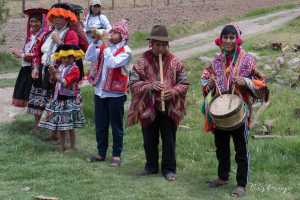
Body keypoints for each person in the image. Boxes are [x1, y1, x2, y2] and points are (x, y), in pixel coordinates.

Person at [201, 24, 269, 198]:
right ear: (221, 39)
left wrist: (245, 82)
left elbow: (261, 82)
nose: (229, 41)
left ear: (237, 40)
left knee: (241, 148)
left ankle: (241, 183)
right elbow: (205, 78)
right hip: (219, 111)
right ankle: (222, 177)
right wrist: (208, 84)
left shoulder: (247, 60)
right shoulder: (216, 60)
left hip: (240, 111)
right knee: (221, 147)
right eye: (226, 37)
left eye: (232, 37)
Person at [128, 25, 189, 181]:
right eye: (157, 44)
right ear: (151, 44)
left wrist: (173, 91)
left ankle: (169, 169)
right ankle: (151, 166)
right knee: (149, 139)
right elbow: (133, 84)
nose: (161, 48)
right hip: (148, 107)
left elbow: (184, 83)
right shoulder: (141, 62)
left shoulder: (175, 61)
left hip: (169, 108)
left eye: (164, 45)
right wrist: (150, 85)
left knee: (169, 140)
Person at [27, 3, 80, 134]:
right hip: (42, 69)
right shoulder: (47, 33)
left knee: (55, 102)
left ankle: (55, 133)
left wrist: (59, 43)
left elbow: (72, 55)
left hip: (58, 73)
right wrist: (35, 68)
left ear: (67, 19)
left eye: (60, 17)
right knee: (38, 99)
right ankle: (38, 126)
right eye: (54, 16)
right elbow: (38, 52)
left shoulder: (71, 34)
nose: (56, 19)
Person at [85, 19, 132, 167]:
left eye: (116, 32)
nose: (112, 34)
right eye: (112, 31)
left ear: (123, 36)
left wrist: (104, 47)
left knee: (116, 126)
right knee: (100, 124)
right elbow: (89, 57)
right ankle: (101, 153)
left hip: (116, 94)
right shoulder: (104, 46)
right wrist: (94, 42)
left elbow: (113, 63)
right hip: (100, 92)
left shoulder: (126, 51)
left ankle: (116, 155)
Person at [39, 44, 85, 152]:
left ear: (74, 57)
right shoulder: (61, 67)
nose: (66, 59)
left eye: (69, 57)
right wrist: (52, 75)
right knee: (60, 125)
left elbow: (64, 82)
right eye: (64, 57)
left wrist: (56, 75)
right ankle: (62, 146)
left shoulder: (75, 69)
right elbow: (54, 81)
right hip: (58, 99)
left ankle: (72, 146)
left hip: (69, 100)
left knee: (69, 126)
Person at [11, 8, 48, 108]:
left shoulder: (43, 36)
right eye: (31, 21)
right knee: (27, 98)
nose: (33, 24)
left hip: (35, 70)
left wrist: (21, 55)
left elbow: (38, 54)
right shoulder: (31, 37)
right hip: (26, 69)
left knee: (35, 99)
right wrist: (21, 53)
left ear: (42, 23)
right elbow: (29, 52)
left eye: (36, 21)